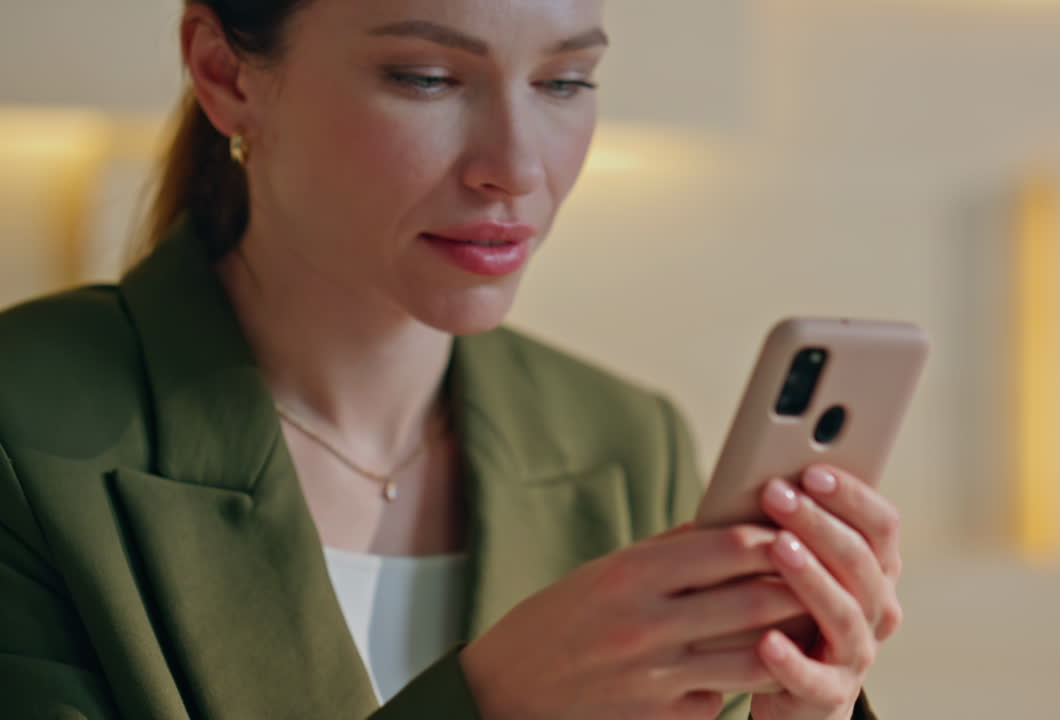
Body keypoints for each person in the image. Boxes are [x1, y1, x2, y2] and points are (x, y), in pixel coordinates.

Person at [0, 1, 903, 718]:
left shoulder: (626, 444)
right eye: (427, 78)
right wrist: (494, 700)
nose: (513, 166)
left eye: (564, 82)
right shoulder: (28, 429)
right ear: (225, 72)